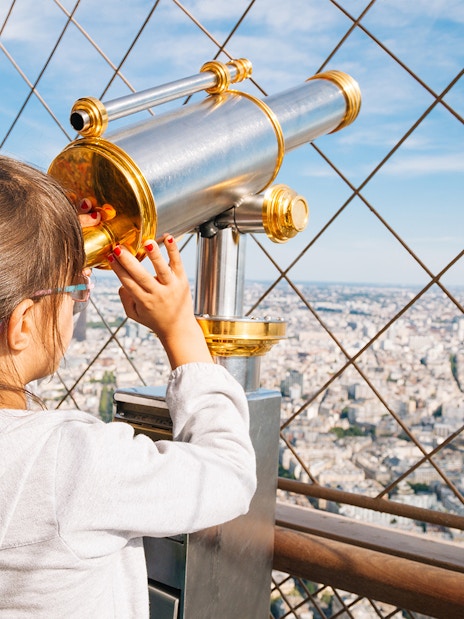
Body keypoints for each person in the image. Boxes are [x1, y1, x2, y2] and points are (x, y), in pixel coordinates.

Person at [0, 154, 257, 618]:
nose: (82, 296)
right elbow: (229, 475)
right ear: (20, 324)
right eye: (75, 292)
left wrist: (43, 241)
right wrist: (181, 329)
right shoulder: (69, 462)